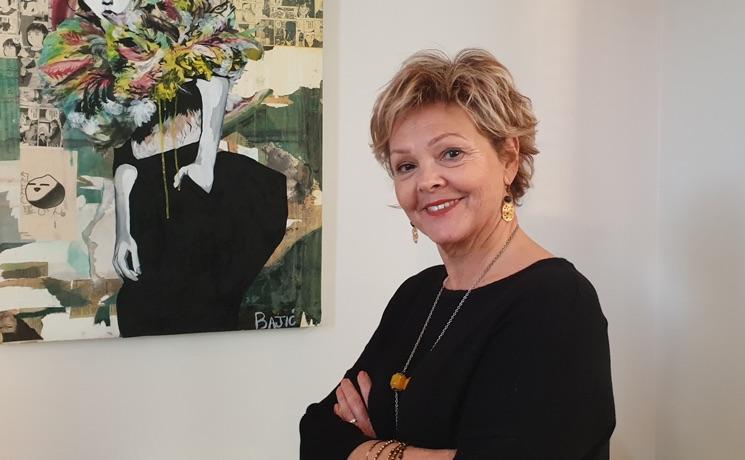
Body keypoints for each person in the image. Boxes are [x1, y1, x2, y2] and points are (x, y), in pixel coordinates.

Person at [300, 49, 615, 459]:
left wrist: (370, 449)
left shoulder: (556, 302)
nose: (427, 181)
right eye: (406, 166)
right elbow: (317, 434)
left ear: (509, 159)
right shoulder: (417, 295)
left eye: (451, 153)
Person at [39, 0, 288, 337]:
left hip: (194, 178)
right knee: (143, 309)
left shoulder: (174, 16)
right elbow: (125, 154)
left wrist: (205, 163)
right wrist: (123, 231)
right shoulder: (84, 48)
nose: (105, 1)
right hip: (145, 192)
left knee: (204, 306)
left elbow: (214, 80)